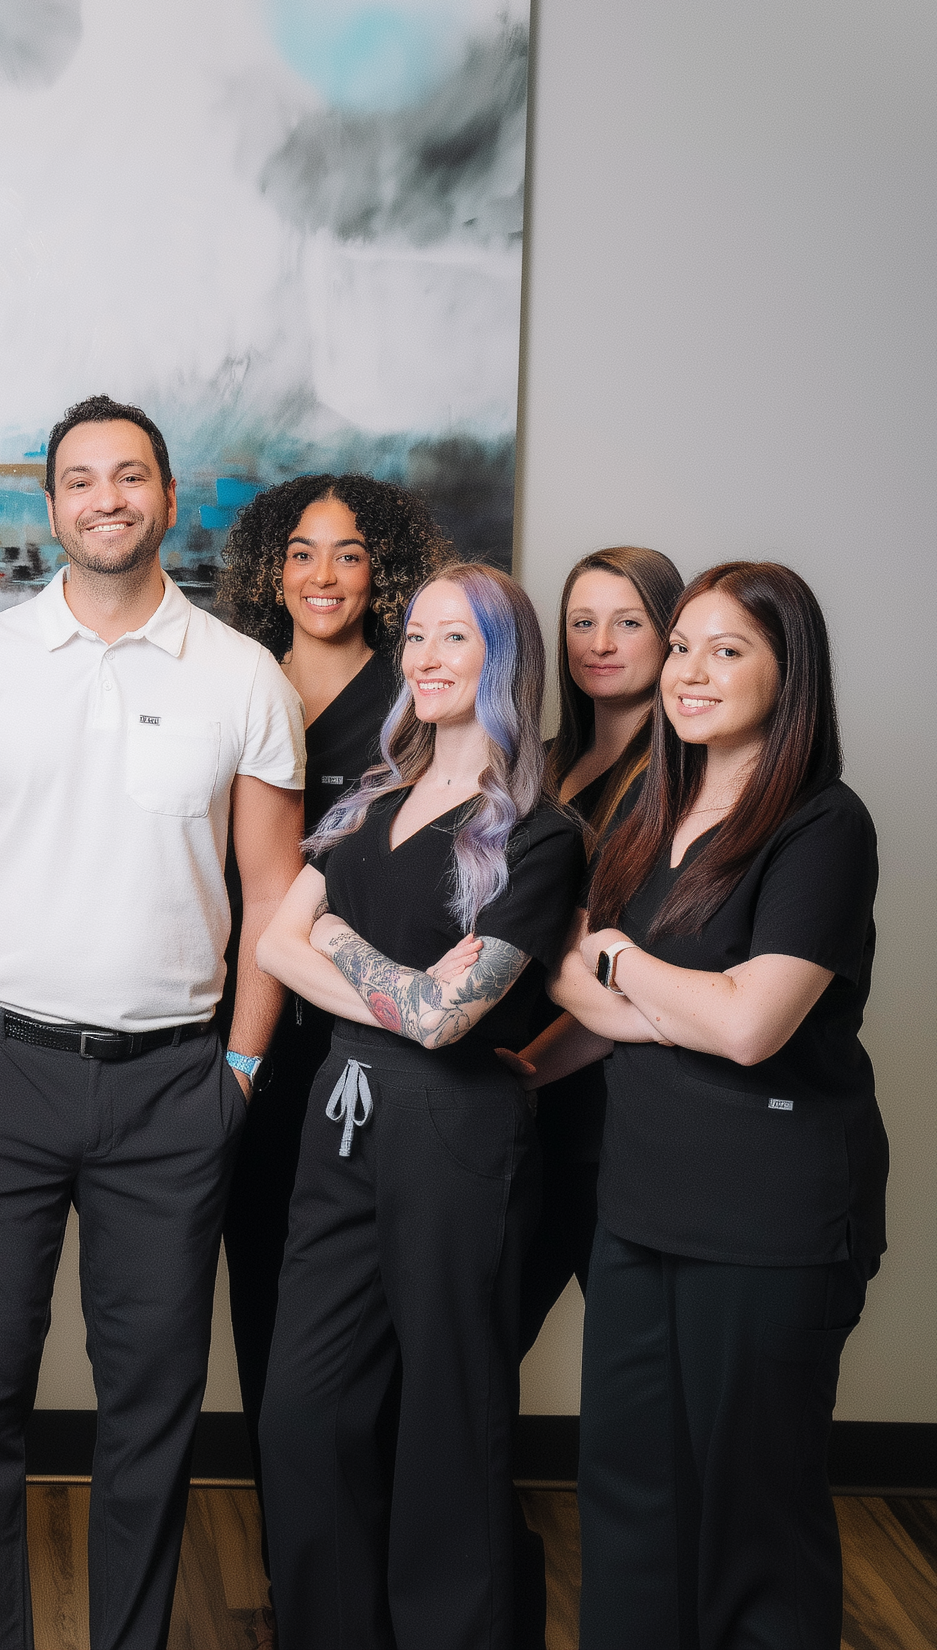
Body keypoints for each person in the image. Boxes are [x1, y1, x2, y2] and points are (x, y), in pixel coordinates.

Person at [0, 393, 308, 1650]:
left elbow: (274, 889)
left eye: (130, 476)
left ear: (168, 501)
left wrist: (236, 1070)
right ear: (54, 505)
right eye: (81, 479)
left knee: (151, 1409)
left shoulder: (243, 675)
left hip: (172, 1088)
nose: (106, 498)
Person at [514, 561, 886, 1650]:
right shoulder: (650, 808)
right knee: (628, 1498)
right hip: (639, 1208)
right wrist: (623, 1009)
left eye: (727, 651)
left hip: (766, 1225)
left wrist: (628, 967)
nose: (689, 670)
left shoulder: (823, 824)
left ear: (790, 673)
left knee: (747, 1517)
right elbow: (570, 979)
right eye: (681, 646)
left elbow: (749, 1025)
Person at [255, 561, 585, 1650]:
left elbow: (449, 1019)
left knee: (448, 1419)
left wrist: (337, 942)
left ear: (504, 663)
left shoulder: (536, 834)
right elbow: (270, 944)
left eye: (456, 639)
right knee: (304, 1412)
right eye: (416, 638)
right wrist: (383, 973)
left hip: (453, 1131)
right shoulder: (370, 795)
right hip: (338, 1111)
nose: (425, 658)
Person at [214, 473, 453, 1569]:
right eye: (300, 553)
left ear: (380, 571)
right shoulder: (227, 684)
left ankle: (385, 1566)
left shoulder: (416, 703)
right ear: (270, 568)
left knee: (387, 1318)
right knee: (267, 1300)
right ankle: (292, 1569)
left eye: (347, 554)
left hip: (376, 1037)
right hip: (242, 1030)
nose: (320, 576)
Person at [507, 545, 684, 1648]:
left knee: (639, 1410)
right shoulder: (541, 762)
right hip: (524, 1109)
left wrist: (533, 1062)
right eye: (580, 621)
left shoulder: (688, 775)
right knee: (469, 1360)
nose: (599, 643)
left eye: (625, 621)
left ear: (668, 634)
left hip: (615, 1110)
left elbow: (633, 962)